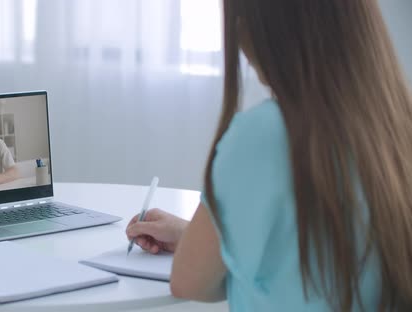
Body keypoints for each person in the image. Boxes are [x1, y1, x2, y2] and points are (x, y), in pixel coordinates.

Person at [126, 0, 412, 311]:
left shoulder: (263, 133)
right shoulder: (396, 124)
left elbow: (189, 281)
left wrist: (197, 253)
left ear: (256, 32)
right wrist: (191, 237)